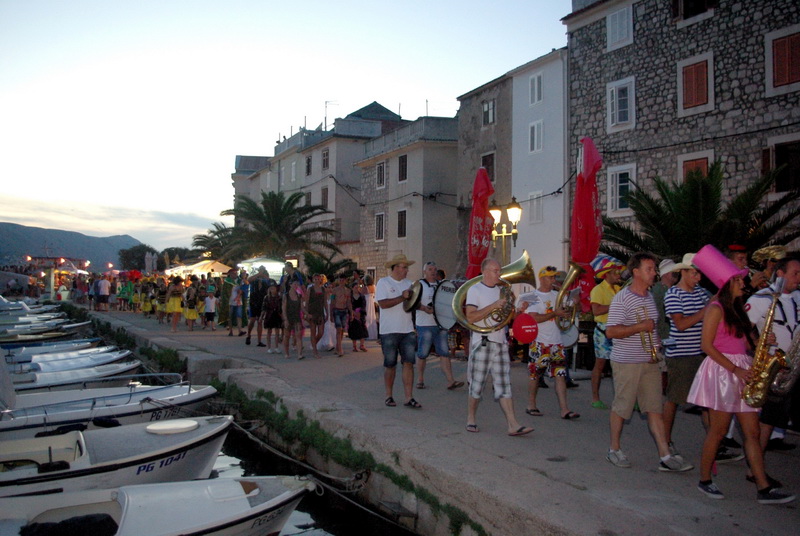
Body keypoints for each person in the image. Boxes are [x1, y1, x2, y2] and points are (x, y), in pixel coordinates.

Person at [688, 245, 795, 504]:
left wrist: (761, 343)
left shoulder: (738, 308)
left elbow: (744, 344)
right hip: (723, 372)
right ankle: (704, 479)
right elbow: (707, 346)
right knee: (718, 431)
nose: (743, 283)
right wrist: (735, 368)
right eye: (739, 280)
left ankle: (763, 486)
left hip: (743, 370)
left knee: (753, 433)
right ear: (727, 283)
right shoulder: (715, 309)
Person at [605, 252, 692, 472]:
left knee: (654, 408)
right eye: (650, 269)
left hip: (650, 361)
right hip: (627, 362)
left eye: (654, 269)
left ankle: (665, 455)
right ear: (636, 272)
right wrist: (639, 328)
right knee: (622, 407)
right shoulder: (622, 298)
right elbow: (611, 332)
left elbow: (651, 327)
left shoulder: (649, 296)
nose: (654, 273)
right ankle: (614, 449)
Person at [661, 254, 731, 459]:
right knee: (674, 399)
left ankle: (714, 445)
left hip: (702, 354)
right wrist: (707, 308)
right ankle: (665, 442)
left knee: (707, 403)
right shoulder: (673, 294)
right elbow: (681, 325)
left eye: (699, 273)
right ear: (683, 272)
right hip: (682, 355)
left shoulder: (701, 292)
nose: (698, 278)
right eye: (694, 273)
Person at [464, 257, 532, 436]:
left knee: (504, 385)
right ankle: (471, 418)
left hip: (501, 342)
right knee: (477, 385)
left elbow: (506, 319)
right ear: (484, 271)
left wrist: (518, 311)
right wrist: (494, 305)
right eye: (495, 271)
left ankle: (513, 424)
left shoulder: (503, 291)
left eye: (499, 270)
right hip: (484, 341)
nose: (499, 274)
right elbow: (471, 317)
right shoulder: (475, 290)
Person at [746, 257, 800, 465]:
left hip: (792, 367)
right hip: (772, 369)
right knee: (767, 421)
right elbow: (742, 328)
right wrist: (758, 344)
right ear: (780, 274)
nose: (798, 278)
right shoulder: (762, 299)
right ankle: (755, 468)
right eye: (795, 273)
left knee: (774, 419)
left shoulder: (797, 297)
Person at [517, 266, 580, 420]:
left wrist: (574, 303)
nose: (554, 280)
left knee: (560, 375)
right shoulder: (533, 297)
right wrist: (554, 313)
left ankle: (565, 409)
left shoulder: (557, 294)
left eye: (554, 277)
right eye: (551, 277)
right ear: (542, 278)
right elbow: (534, 318)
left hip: (557, 342)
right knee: (535, 375)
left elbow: (567, 312)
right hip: (540, 342)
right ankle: (531, 405)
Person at [376, 253, 421, 409]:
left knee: (408, 363)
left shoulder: (409, 284)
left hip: (407, 329)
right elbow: (383, 304)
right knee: (390, 364)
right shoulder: (383, 283)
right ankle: (389, 395)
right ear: (394, 268)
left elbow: (413, 303)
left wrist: (425, 308)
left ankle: (409, 397)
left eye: (406, 268)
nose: (406, 270)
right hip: (389, 330)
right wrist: (402, 297)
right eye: (403, 267)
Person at [414, 262, 464, 391]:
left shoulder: (441, 286)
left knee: (444, 353)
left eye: (435, 269)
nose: (433, 272)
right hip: (425, 324)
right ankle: (420, 379)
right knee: (423, 353)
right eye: (430, 269)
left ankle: (450, 381)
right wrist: (424, 308)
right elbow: (412, 303)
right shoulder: (419, 285)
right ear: (424, 271)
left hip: (440, 324)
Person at [590, 260, 624, 409]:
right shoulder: (598, 290)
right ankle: (595, 397)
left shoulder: (620, 289)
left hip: (618, 328)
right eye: (615, 272)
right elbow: (596, 311)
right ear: (607, 274)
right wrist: (614, 306)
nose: (618, 275)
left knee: (623, 366)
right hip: (603, 330)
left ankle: (626, 398)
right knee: (600, 365)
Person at [245, 268, 270, 347]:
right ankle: (248, 335)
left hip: (261, 302)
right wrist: (258, 274)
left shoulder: (265, 281)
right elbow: (248, 280)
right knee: (252, 320)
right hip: (253, 302)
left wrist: (263, 275)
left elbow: (269, 281)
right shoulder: (254, 280)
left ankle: (259, 341)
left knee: (259, 321)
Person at [305, 274, 327, 359]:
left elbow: (325, 301)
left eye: (318, 279)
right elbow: (306, 302)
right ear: (313, 280)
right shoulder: (310, 289)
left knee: (321, 332)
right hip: (312, 312)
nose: (317, 280)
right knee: (313, 332)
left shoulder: (323, 289)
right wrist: (306, 313)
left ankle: (313, 343)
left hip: (320, 312)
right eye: (315, 279)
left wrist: (327, 312)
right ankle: (315, 350)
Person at [330, 274, 353, 356]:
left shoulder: (348, 291)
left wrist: (351, 313)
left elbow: (348, 302)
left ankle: (338, 346)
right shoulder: (334, 290)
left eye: (343, 280)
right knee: (338, 330)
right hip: (336, 310)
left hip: (344, 311)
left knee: (342, 330)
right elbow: (332, 302)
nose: (341, 281)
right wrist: (331, 314)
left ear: (345, 281)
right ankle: (340, 349)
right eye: (340, 280)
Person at [283, 280, 304, 359]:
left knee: (298, 336)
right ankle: (286, 353)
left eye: (297, 284)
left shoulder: (299, 296)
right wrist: (285, 319)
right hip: (288, 317)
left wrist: (306, 314)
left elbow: (301, 307)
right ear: (290, 284)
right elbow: (284, 308)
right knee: (287, 336)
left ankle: (299, 354)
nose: (296, 285)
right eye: (294, 284)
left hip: (297, 318)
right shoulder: (286, 296)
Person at [349, 272, 369, 352]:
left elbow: (364, 304)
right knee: (354, 330)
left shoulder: (362, 296)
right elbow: (348, 304)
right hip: (352, 314)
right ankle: (354, 346)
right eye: (355, 287)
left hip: (360, 314)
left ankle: (362, 345)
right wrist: (352, 312)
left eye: (358, 287)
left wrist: (360, 311)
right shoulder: (350, 296)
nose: (357, 289)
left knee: (362, 330)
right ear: (352, 288)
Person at [261, 282, 282, 353]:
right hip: (269, 315)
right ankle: (269, 347)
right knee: (269, 331)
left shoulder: (279, 297)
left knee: (277, 331)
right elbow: (264, 308)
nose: (272, 289)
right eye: (271, 288)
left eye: (273, 288)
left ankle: (276, 347)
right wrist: (261, 317)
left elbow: (281, 308)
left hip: (277, 315)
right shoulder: (267, 297)